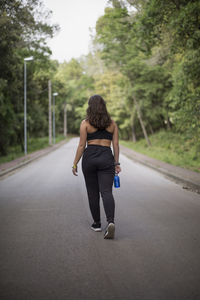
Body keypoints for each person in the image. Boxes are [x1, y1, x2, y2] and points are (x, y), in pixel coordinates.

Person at [72, 95, 121, 239]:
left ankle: (97, 224)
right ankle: (110, 222)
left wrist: (75, 163)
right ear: (104, 106)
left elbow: (81, 145)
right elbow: (116, 145)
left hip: (90, 158)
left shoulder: (85, 123)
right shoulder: (112, 124)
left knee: (92, 192)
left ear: (90, 107)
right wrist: (116, 163)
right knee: (106, 192)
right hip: (106, 157)